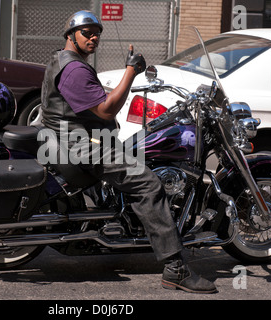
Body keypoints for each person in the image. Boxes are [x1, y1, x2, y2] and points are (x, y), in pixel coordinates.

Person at [41, 10, 217, 294]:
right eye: (87, 32)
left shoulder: (62, 60)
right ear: (71, 35)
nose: (94, 36)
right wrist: (130, 73)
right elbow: (107, 109)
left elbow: (86, 100)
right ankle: (175, 268)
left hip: (73, 138)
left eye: (97, 32)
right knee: (148, 185)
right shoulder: (74, 68)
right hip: (81, 144)